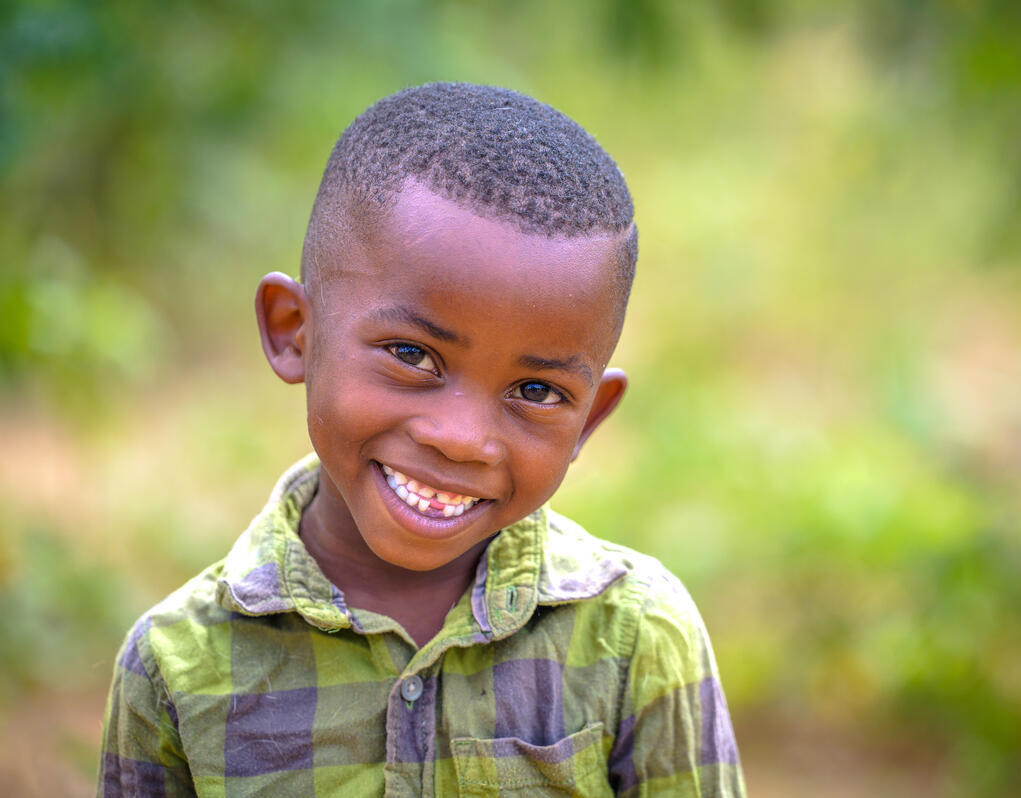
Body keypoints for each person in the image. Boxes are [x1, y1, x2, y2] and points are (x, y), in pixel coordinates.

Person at [97, 82, 744, 797]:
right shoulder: (177, 669)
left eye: (536, 392)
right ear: (293, 331)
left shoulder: (637, 639)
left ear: (588, 418)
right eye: (412, 355)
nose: (463, 440)